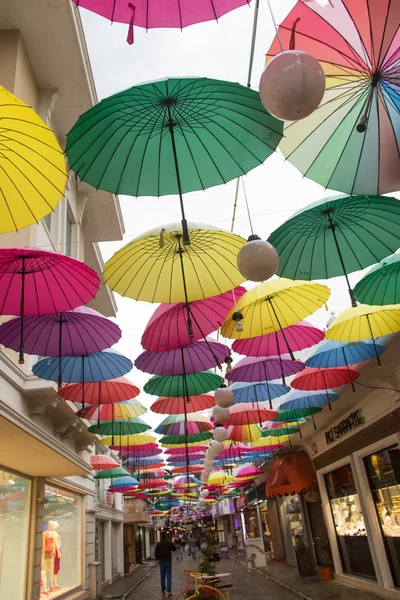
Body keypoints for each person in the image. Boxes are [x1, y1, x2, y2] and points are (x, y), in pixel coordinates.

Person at [155, 532, 176, 596]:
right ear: (166, 536)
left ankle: (163, 590)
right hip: (168, 562)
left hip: (162, 562)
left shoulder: (158, 544)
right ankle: (169, 591)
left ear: (160, 537)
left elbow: (155, 554)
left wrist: (159, 558)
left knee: (162, 576)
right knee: (169, 576)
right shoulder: (169, 543)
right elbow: (174, 549)